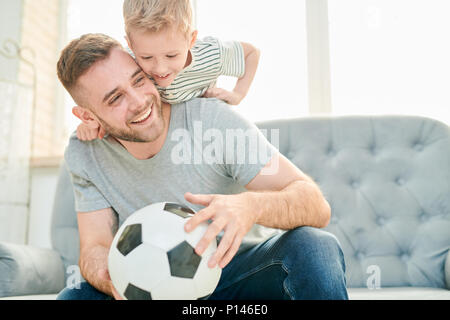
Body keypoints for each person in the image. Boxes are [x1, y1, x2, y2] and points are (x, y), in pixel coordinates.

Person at [55, 33, 348, 300]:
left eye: (139, 80)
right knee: (74, 298)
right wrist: (117, 283)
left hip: (237, 274)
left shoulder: (213, 121)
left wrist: (251, 207)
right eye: (115, 98)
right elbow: (95, 246)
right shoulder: (85, 152)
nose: (138, 101)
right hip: (149, 284)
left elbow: (315, 205)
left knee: (314, 246)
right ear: (87, 116)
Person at [76, 0, 260, 141]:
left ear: (191, 40)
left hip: (201, 126)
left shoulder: (211, 54)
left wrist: (238, 94)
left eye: (171, 56)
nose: (160, 68)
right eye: (147, 57)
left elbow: (251, 53)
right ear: (131, 44)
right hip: (162, 131)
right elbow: (108, 93)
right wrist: (92, 122)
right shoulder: (129, 60)